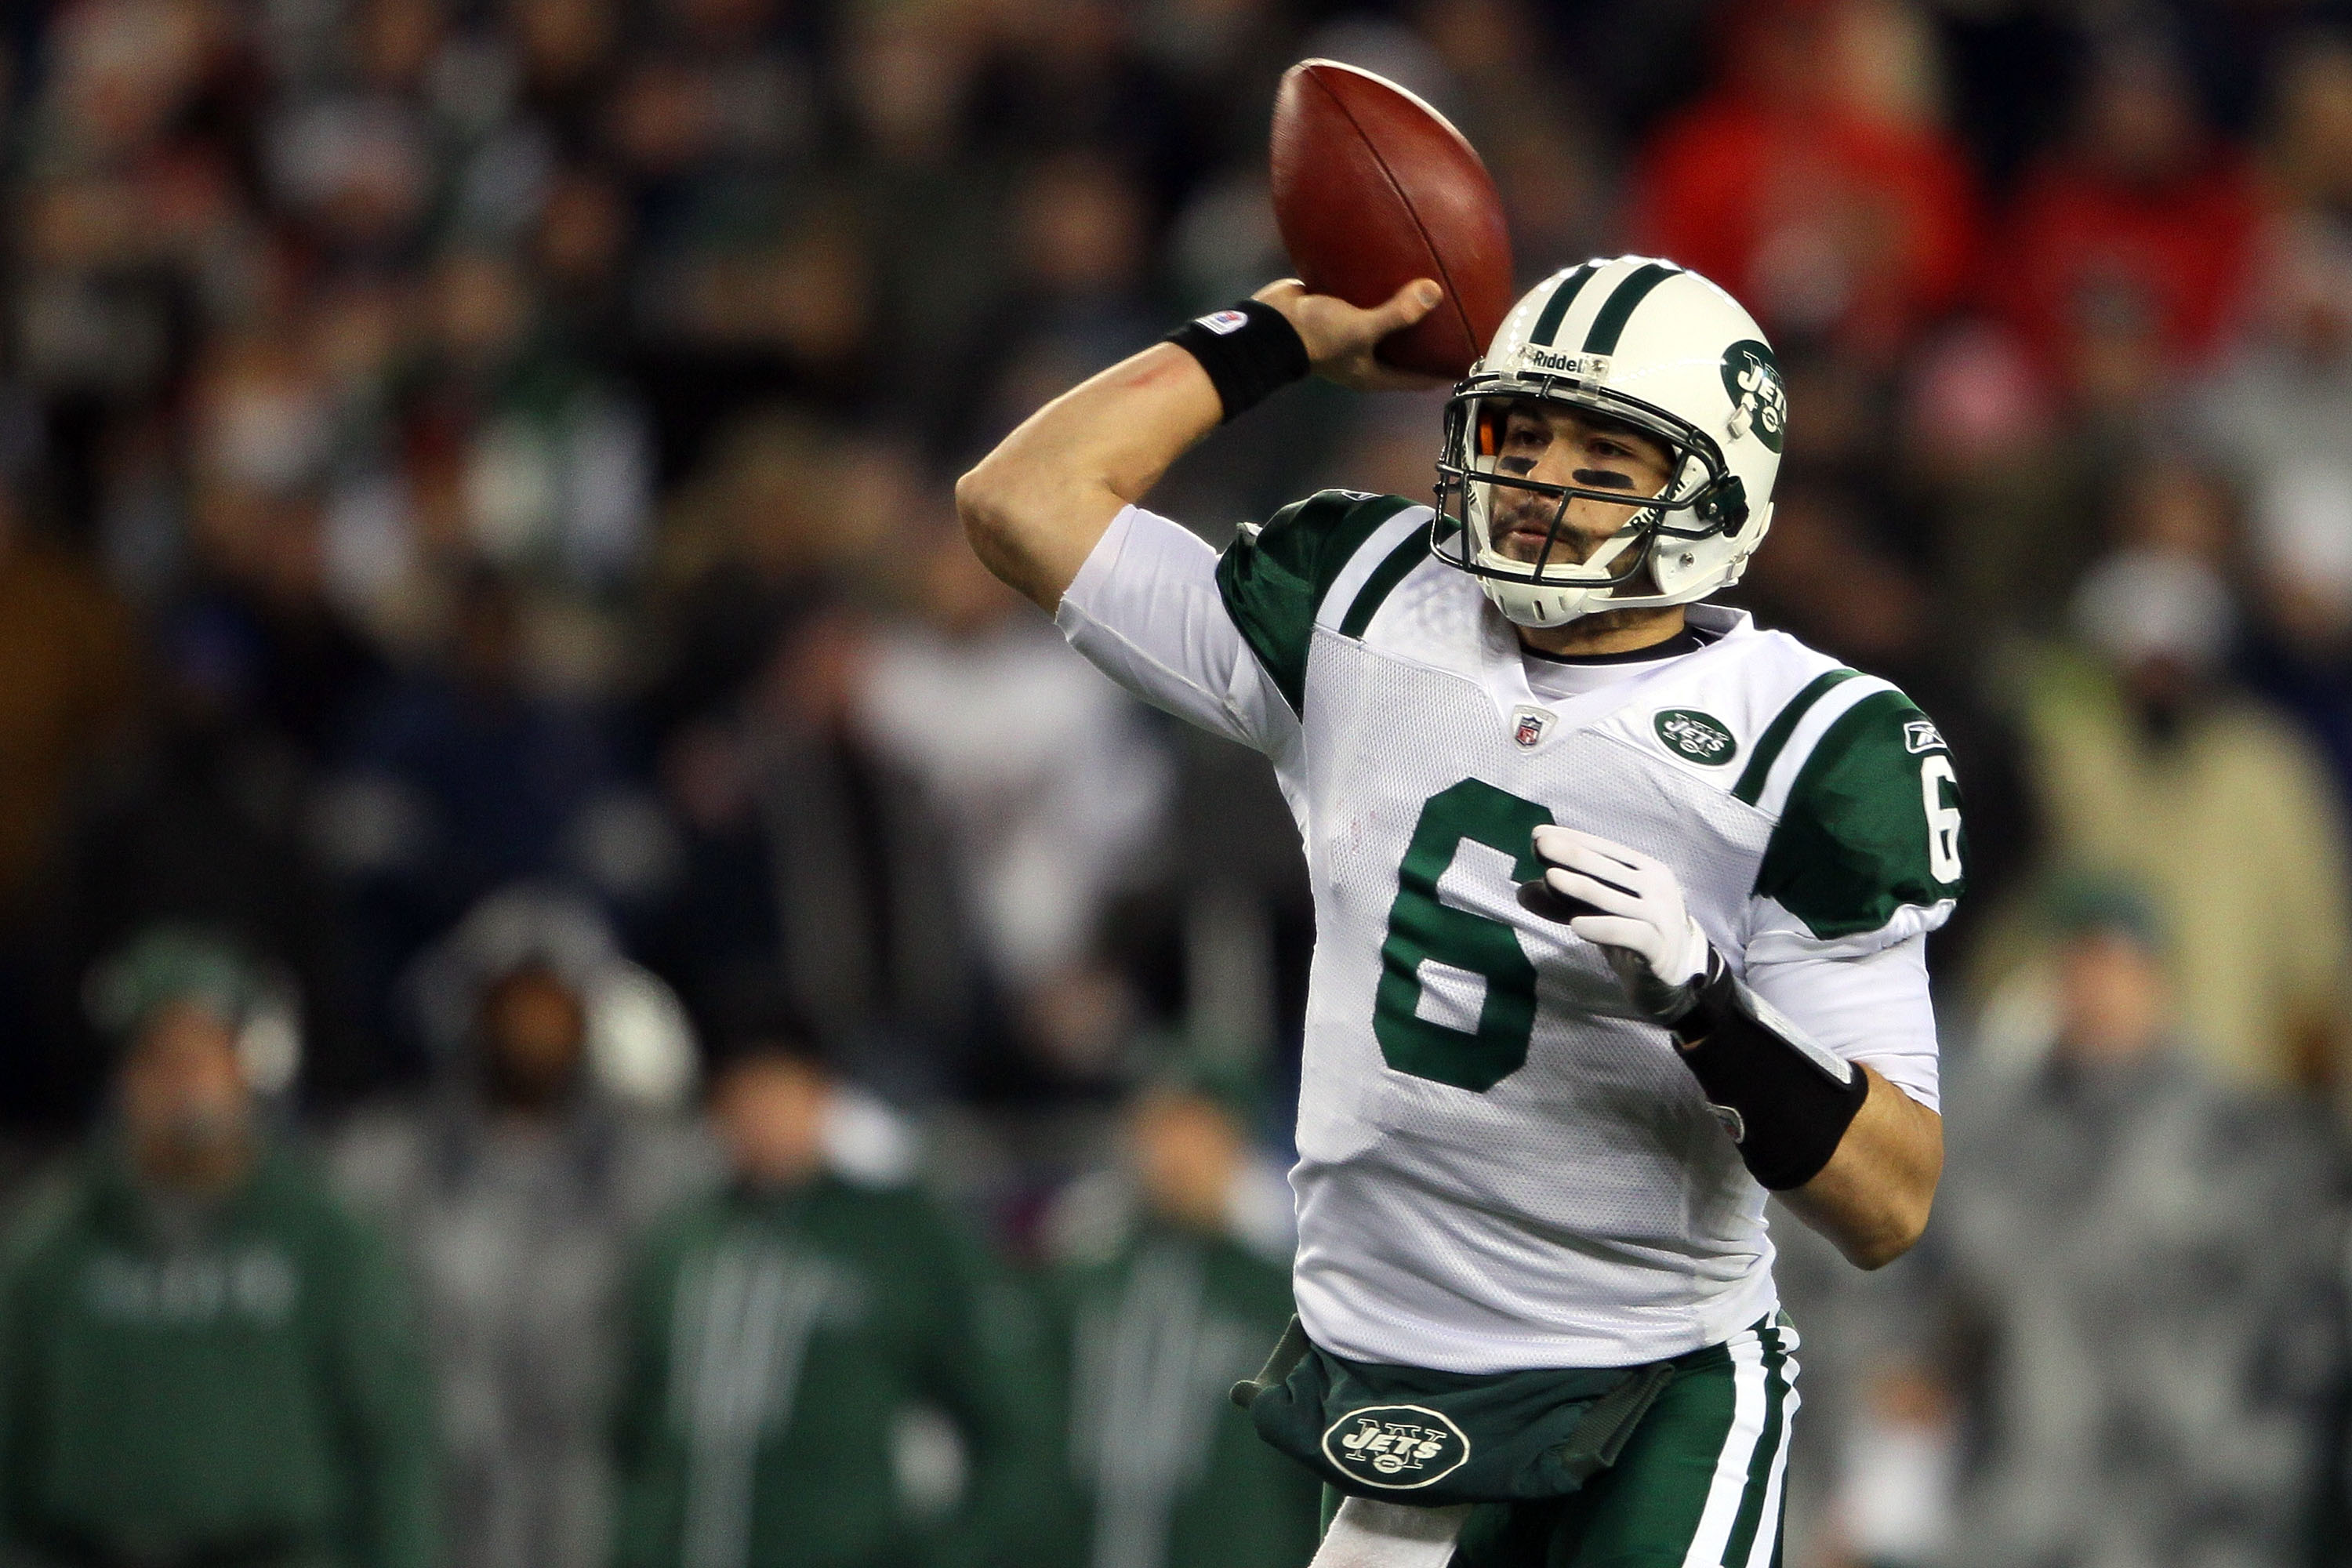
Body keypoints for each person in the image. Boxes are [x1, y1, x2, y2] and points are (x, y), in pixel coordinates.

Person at [956, 255, 1962, 1565]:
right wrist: (1275, 335)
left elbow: (1891, 1204)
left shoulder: (1811, 741)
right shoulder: (1365, 605)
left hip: (1654, 1376)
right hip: (1392, 1379)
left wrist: (1707, 1006)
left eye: (1606, 457)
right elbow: (1019, 500)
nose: (1541, 482)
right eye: (1519, 433)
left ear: (1713, 492)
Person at [0, 925, 437, 1568]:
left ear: (245, 1068)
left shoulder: (327, 1239)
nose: (186, 1081)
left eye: (206, 1052)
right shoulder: (51, 1243)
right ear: (125, 1077)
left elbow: (392, 1446)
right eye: (160, 1055)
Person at [1936, 884, 2343, 1567]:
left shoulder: (2234, 1137)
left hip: (2187, 1504)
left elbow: (2291, 1339)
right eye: (2079, 967)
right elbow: (1959, 1298)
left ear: (2158, 980)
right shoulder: (2002, 1137)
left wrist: (2253, 1495)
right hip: (2030, 1500)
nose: (2097, 990)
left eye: (2117, 967)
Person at [331, 891, 713, 1568]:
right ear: (471, 1011)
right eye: (513, 1003)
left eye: (554, 1005)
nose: (533, 1027)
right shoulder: (387, 1163)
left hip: (592, 1499)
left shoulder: (660, 1173)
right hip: (436, 1499)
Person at [607, 1008, 1056, 1568]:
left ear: (824, 1096)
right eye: (744, 1094)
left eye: (782, 1090)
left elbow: (1010, 1423)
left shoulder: (894, 1232)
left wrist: (949, 1552)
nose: (763, 1114)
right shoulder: (685, 1239)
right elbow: (635, 1432)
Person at [1037, 1067, 1319, 1568]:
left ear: (1236, 1142)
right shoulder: (1082, 1284)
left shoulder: (1286, 1297)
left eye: (1199, 1130)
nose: (1177, 1154)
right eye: (1160, 1130)